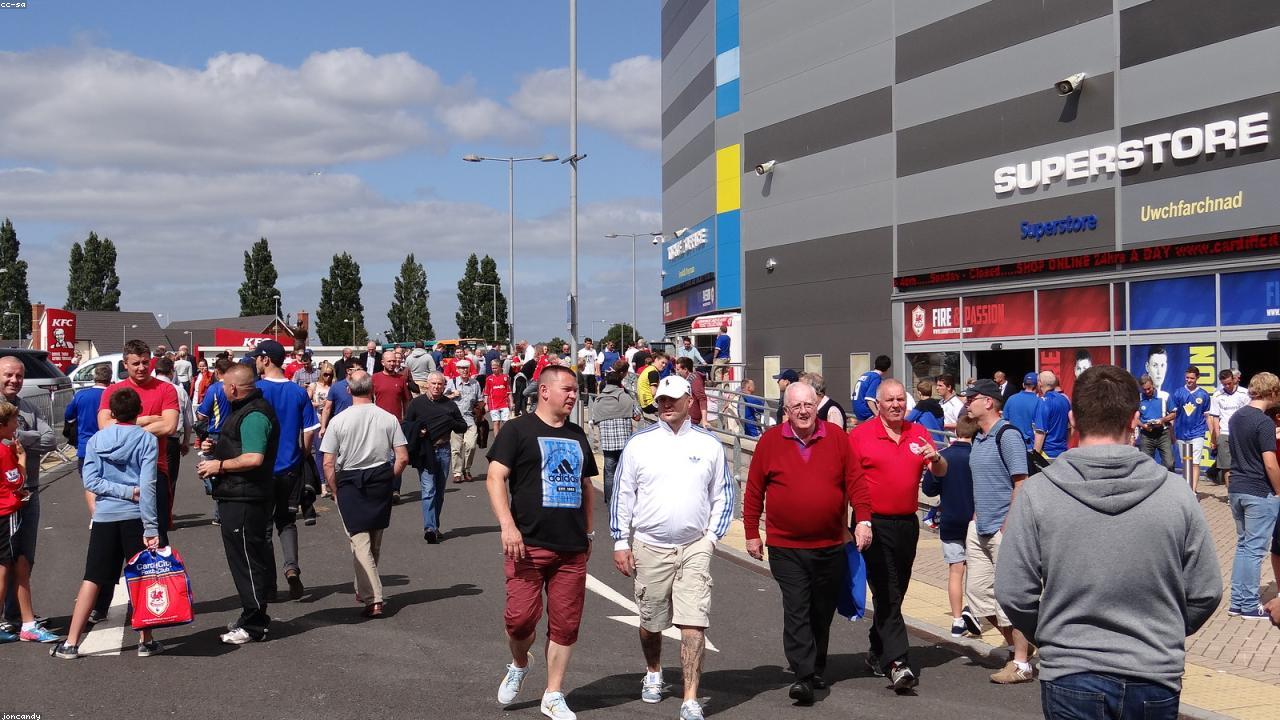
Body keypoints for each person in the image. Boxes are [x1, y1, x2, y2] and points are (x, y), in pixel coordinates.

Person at [997, 365, 1222, 719]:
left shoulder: (1038, 492)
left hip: (1071, 668)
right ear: (1135, 419)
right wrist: (1163, 632)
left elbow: (1012, 590)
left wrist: (1053, 634)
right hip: (1153, 671)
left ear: (1072, 417)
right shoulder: (1176, 492)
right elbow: (1206, 590)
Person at [610, 375, 734, 719]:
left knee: (694, 624)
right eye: (661, 398)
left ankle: (690, 698)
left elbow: (723, 495)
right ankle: (653, 671)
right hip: (650, 546)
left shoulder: (708, 444)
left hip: (694, 546)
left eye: (673, 398)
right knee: (651, 622)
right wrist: (621, 540)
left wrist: (711, 539)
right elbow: (623, 494)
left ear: (689, 401)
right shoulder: (640, 444)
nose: (665, 404)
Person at [744, 382, 871, 705]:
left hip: (830, 544)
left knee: (821, 609)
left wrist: (864, 521)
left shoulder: (837, 438)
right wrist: (750, 532)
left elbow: (856, 481)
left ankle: (816, 665)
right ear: (786, 411)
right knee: (797, 607)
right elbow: (754, 490)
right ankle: (802, 675)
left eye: (808, 405)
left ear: (817, 406)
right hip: (786, 546)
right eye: (795, 406)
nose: (802, 411)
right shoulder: (770, 442)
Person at [485, 365, 598, 720]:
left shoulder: (578, 435)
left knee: (566, 624)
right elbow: (494, 477)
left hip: (571, 547)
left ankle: (553, 693)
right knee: (520, 621)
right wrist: (507, 525)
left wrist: (589, 532)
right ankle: (520, 663)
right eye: (567, 389)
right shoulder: (518, 430)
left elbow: (586, 487)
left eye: (575, 390)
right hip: (527, 544)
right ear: (544, 391)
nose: (573, 395)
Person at [50, 388, 164, 659]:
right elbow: (147, 486)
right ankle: (145, 640)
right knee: (140, 577)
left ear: (111, 412)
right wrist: (151, 526)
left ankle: (71, 642)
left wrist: (119, 492)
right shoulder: (146, 440)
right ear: (139, 411)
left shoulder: (97, 440)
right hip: (135, 516)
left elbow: (90, 481)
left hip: (104, 515)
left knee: (93, 577)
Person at [848, 378, 946, 692]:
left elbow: (940, 472)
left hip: (906, 523)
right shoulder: (861, 435)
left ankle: (877, 650)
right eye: (889, 400)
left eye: (900, 400)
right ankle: (898, 662)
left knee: (898, 589)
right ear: (878, 404)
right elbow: (847, 481)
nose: (895, 405)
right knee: (886, 589)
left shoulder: (918, 432)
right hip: (871, 522)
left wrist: (937, 458)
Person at [957, 379, 1034, 684]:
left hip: (1003, 528)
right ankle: (1022, 647)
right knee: (978, 595)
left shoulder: (1008, 435)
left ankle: (1021, 664)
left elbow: (1021, 483)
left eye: (972, 398)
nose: (967, 403)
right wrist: (976, 517)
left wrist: (1009, 522)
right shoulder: (979, 437)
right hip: (980, 527)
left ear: (988, 402)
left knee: (1007, 598)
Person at [197, 364, 280, 644]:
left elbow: (253, 457)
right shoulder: (244, 410)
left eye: (223, 385)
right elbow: (239, 446)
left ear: (232, 388)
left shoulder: (255, 413)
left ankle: (255, 623)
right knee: (243, 557)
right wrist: (216, 447)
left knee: (247, 558)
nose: (220, 389)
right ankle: (250, 614)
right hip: (238, 494)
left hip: (246, 496)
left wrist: (218, 465)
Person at [320, 370, 408, 618]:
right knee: (372, 540)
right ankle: (364, 589)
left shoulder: (339, 420)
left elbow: (328, 462)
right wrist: (389, 477)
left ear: (348, 391)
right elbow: (402, 457)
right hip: (380, 477)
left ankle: (374, 598)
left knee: (360, 542)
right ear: (372, 390)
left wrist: (334, 487)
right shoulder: (388, 418)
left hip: (350, 480)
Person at [252, 340, 320, 601]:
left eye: (258, 357)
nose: (256, 361)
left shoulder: (256, 390)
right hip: (290, 467)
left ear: (266, 359)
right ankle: (291, 567)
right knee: (287, 522)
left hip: (261, 468)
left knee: (264, 526)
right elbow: (308, 434)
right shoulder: (298, 392)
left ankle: (269, 585)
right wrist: (299, 455)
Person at [96, 342, 178, 547]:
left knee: (156, 538)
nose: (141, 367)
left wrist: (126, 428)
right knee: (121, 538)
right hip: (118, 473)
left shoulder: (166, 389)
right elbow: (104, 426)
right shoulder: (113, 391)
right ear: (125, 364)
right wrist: (148, 419)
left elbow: (169, 426)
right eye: (135, 363)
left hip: (154, 471)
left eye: (145, 362)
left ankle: (156, 578)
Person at [1225, 372, 1280, 619]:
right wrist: (1279, 491)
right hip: (1258, 491)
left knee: (1243, 547)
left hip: (1236, 487)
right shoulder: (1264, 422)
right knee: (1255, 550)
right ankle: (1248, 605)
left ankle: (1237, 602)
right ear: (1272, 392)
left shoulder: (1237, 417)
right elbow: (1270, 463)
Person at [921, 415, 975, 638]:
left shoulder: (942, 456)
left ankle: (956, 621)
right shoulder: (979, 456)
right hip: (975, 521)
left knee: (955, 570)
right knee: (977, 570)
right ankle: (973, 611)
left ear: (956, 433)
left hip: (950, 520)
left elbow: (929, 490)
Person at [403, 372, 466, 543]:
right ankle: (429, 528)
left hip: (444, 450)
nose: (437, 387)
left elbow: (462, 426)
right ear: (427, 385)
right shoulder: (416, 404)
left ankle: (435, 525)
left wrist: (450, 422)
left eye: (440, 384)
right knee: (428, 489)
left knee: (439, 491)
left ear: (444, 386)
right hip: (426, 451)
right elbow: (406, 426)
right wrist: (419, 430)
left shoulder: (450, 405)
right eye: (434, 383)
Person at [591, 361, 639, 505]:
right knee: (625, 472)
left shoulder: (599, 400)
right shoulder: (625, 396)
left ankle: (610, 499)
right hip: (625, 442)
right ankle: (625, 498)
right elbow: (637, 415)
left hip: (608, 443)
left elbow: (594, 420)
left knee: (609, 472)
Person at [371, 349, 413, 500]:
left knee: (398, 458)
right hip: (378, 424)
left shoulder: (401, 379)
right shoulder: (374, 379)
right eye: (389, 361)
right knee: (381, 458)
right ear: (382, 362)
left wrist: (407, 420)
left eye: (394, 361)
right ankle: (382, 488)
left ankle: (395, 489)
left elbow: (406, 401)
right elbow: (368, 400)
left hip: (397, 424)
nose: (392, 363)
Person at [152, 357, 193, 512]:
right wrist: (186, 442)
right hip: (171, 439)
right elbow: (189, 420)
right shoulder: (179, 390)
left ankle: (148, 513)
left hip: (147, 437)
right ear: (171, 372)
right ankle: (166, 513)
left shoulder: (149, 388)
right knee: (169, 479)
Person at [1169, 366, 1211, 492]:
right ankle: (1187, 489)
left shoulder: (1203, 394)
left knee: (1195, 462)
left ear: (1197, 378)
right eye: (1187, 377)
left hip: (1197, 433)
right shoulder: (1178, 393)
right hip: (1181, 433)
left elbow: (1207, 416)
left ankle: (1192, 491)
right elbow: (1173, 415)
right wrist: (1172, 433)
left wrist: (1212, 435)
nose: (1189, 380)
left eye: (1192, 378)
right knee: (1186, 463)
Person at [1209, 368, 1249, 487]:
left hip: (1241, 433)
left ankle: (1242, 489)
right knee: (1226, 466)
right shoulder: (1217, 395)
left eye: (1229, 383)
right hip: (1224, 433)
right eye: (1224, 384)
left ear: (1234, 380)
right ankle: (1230, 494)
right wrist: (1217, 436)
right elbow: (1215, 417)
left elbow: (1248, 415)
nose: (1227, 386)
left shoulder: (1244, 393)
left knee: (1242, 463)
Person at [446, 359, 482, 483]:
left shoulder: (475, 384)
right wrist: (451, 395)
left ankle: (466, 469)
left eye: (466, 368)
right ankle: (457, 472)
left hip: (470, 419)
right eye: (461, 368)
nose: (464, 370)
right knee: (456, 448)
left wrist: (481, 412)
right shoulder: (452, 382)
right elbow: (442, 399)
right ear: (457, 370)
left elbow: (479, 400)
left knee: (471, 446)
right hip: (455, 420)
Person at [1137, 374, 1175, 471]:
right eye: (1144, 390)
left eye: (1149, 388)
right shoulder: (1138, 398)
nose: (1147, 391)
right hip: (1146, 434)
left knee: (1169, 463)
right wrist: (1143, 425)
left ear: (1152, 384)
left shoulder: (1164, 396)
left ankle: (1168, 483)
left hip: (1163, 433)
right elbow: (1134, 418)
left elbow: (1173, 414)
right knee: (1146, 465)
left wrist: (1162, 420)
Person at [1033, 371, 1072, 461]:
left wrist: (1034, 457)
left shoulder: (1043, 401)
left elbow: (1040, 432)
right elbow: (1069, 428)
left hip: (1047, 454)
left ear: (1040, 383)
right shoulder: (1064, 399)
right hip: (1062, 452)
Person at [1002, 372, 1040, 449]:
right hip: (1030, 446)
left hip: (1012, 444)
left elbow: (1004, 421)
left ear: (1023, 385)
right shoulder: (1039, 402)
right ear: (1038, 385)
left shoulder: (1011, 399)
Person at [852, 355, 891, 424]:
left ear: (874, 365)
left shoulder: (865, 375)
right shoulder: (876, 378)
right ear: (887, 369)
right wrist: (877, 414)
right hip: (866, 412)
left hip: (857, 409)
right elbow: (869, 399)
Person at [673, 357, 708, 427]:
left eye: (678, 369)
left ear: (685, 369)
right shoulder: (685, 380)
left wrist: (704, 420)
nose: (677, 372)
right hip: (684, 417)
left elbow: (702, 399)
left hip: (692, 419)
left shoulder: (695, 379)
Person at [485, 359, 511, 437]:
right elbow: (486, 393)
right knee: (496, 422)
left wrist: (512, 402)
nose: (494, 370)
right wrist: (486, 404)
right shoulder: (489, 379)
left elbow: (509, 391)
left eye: (495, 368)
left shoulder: (505, 377)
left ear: (500, 367)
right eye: (492, 368)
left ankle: (507, 438)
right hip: (494, 404)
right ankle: (497, 440)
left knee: (506, 422)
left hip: (504, 403)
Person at [576, 338, 601, 406]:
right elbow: (579, 361)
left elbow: (596, 361)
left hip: (591, 372)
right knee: (585, 387)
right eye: (587, 343)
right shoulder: (581, 351)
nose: (589, 345)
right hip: (584, 372)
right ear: (585, 343)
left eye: (590, 343)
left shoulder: (593, 351)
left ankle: (592, 401)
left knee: (592, 387)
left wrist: (596, 370)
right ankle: (585, 401)